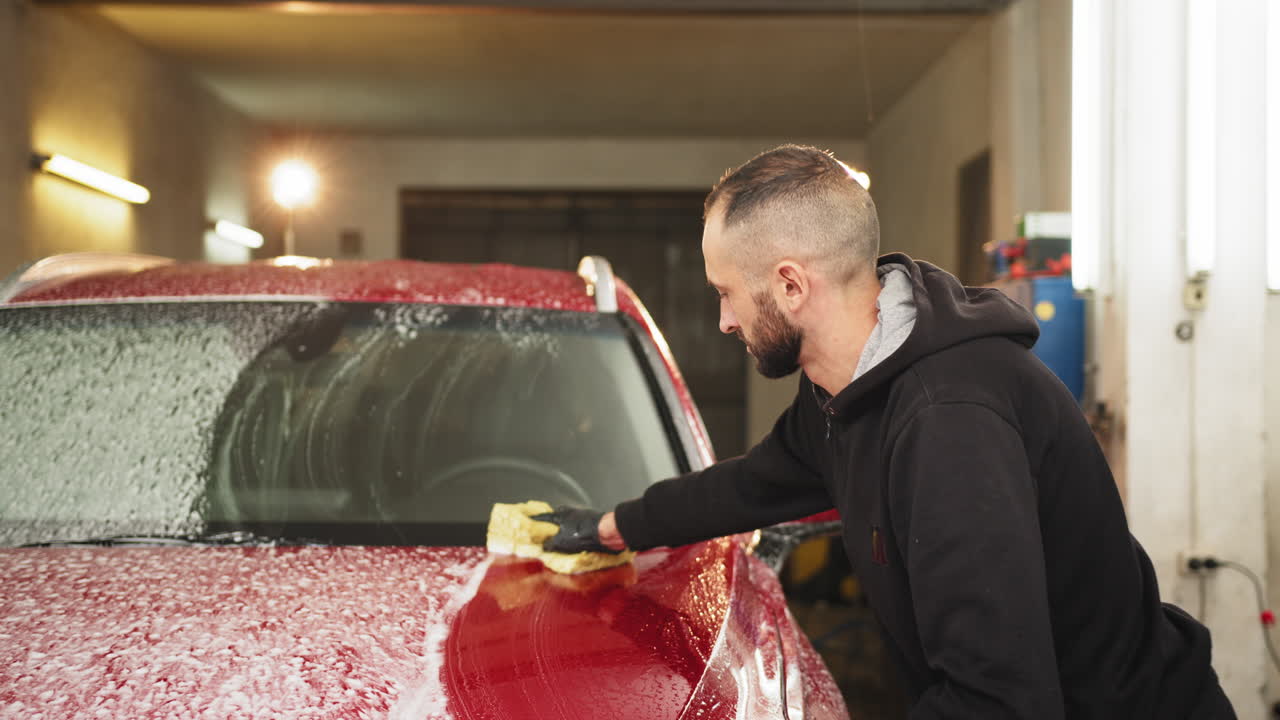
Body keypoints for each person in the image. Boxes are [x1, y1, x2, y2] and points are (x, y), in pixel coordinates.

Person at [534, 144, 1235, 719]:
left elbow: (999, 702)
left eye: (726, 294)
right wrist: (615, 527)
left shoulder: (949, 425)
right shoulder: (848, 389)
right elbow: (754, 484)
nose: (723, 321)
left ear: (790, 285)